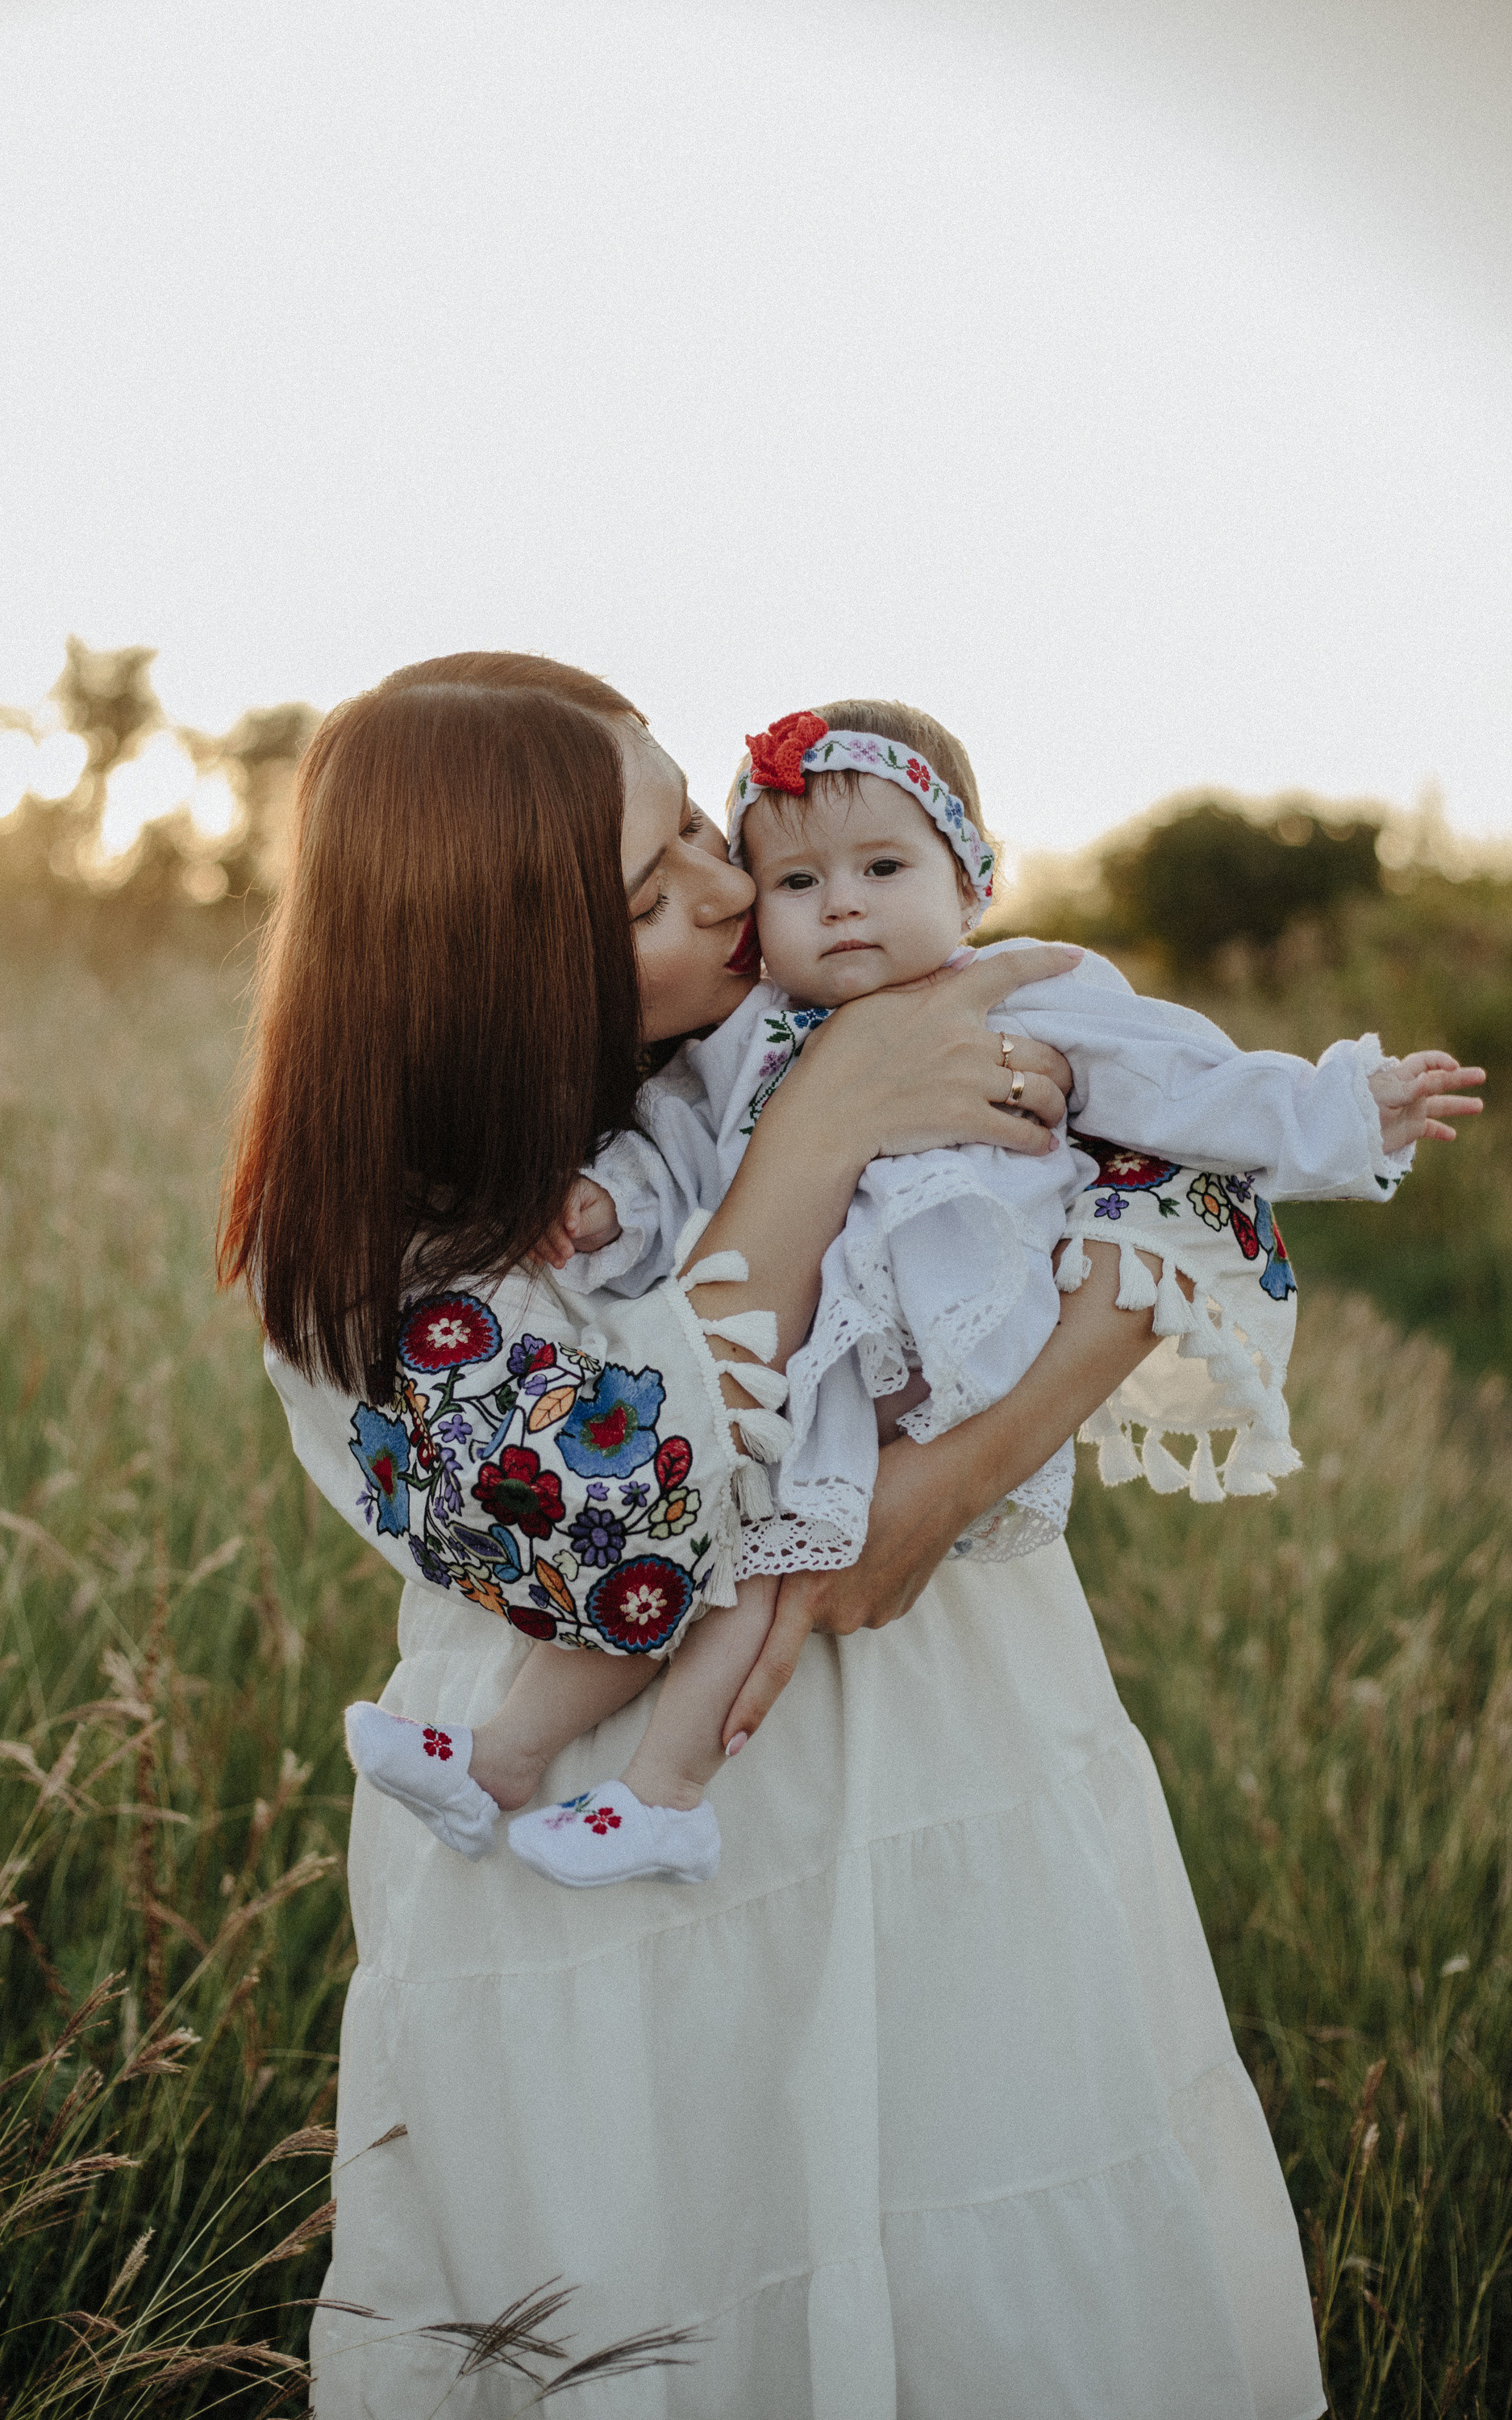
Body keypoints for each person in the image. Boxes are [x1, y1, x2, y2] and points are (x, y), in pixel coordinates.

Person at [223, 649, 1476, 2419]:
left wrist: (942, 1486)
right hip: (597, 1820)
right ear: (504, 961)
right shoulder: (374, 1237)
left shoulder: (841, 1006)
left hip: (960, 1733)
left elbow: (1191, 1194)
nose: (734, 888)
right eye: (652, 891)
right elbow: (625, 1524)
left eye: (699, 827)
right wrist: (820, 1132)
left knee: (998, 2239)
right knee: (671, 2287)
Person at [345, 696, 1472, 1893]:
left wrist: (1344, 1109)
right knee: (730, 1549)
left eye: (702, 837)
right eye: (791, 880)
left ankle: (652, 1788)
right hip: (788, 1395)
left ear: (971, 879)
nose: (775, 899)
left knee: (759, 1546)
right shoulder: (719, 1053)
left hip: (926, 1381)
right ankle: (521, 1760)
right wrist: (608, 1201)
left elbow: (1188, 1109)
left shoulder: (1013, 997)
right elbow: (664, 1171)